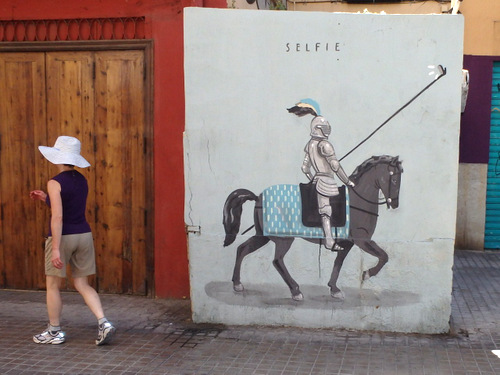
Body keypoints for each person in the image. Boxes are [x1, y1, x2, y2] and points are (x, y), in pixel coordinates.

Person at [30, 136, 115, 345]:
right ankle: (104, 322)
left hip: (63, 237)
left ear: (57, 157)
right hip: (83, 235)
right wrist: (46, 198)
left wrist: (56, 248)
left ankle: (54, 331)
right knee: (82, 283)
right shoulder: (82, 180)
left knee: (52, 285)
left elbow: (58, 217)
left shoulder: (54, 182)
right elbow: (71, 203)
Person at [301, 116, 355, 251]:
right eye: (324, 128)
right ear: (317, 129)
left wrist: (313, 177)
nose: (327, 130)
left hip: (317, 180)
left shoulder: (309, 144)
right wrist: (347, 181)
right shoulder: (325, 145)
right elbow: (335, 166)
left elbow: (305, 168)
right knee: (326, 212)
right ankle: (329, 241)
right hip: (326, 180)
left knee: (326, 211)